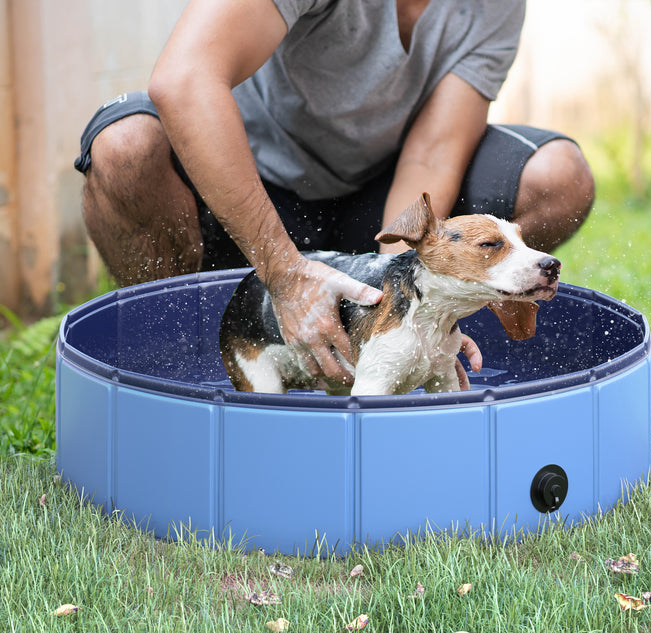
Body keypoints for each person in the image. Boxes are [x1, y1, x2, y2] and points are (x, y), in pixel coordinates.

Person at [75, 0, 595, 388]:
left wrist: (411, 306)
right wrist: (282, 272)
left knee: (558, 175)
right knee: (124, 147)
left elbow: (433, 152)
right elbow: (184, 79)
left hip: (380, 201)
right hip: (248, 193)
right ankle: (175, 363)